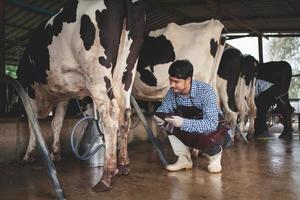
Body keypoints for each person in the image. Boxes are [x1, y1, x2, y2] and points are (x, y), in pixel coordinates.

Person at [153, 59, 231, 173]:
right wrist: (159, 116)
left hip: (215, 131)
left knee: (207, 131)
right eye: (170, 80)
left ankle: (215, 156)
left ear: (188, 79)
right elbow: (164, 108)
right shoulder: (172, 92)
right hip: (190, 125)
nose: (172, 84)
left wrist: (183, 123)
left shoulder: (205, 91)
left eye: (176, 81)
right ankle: (184, 159)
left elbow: (211, 124)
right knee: (167, 120)